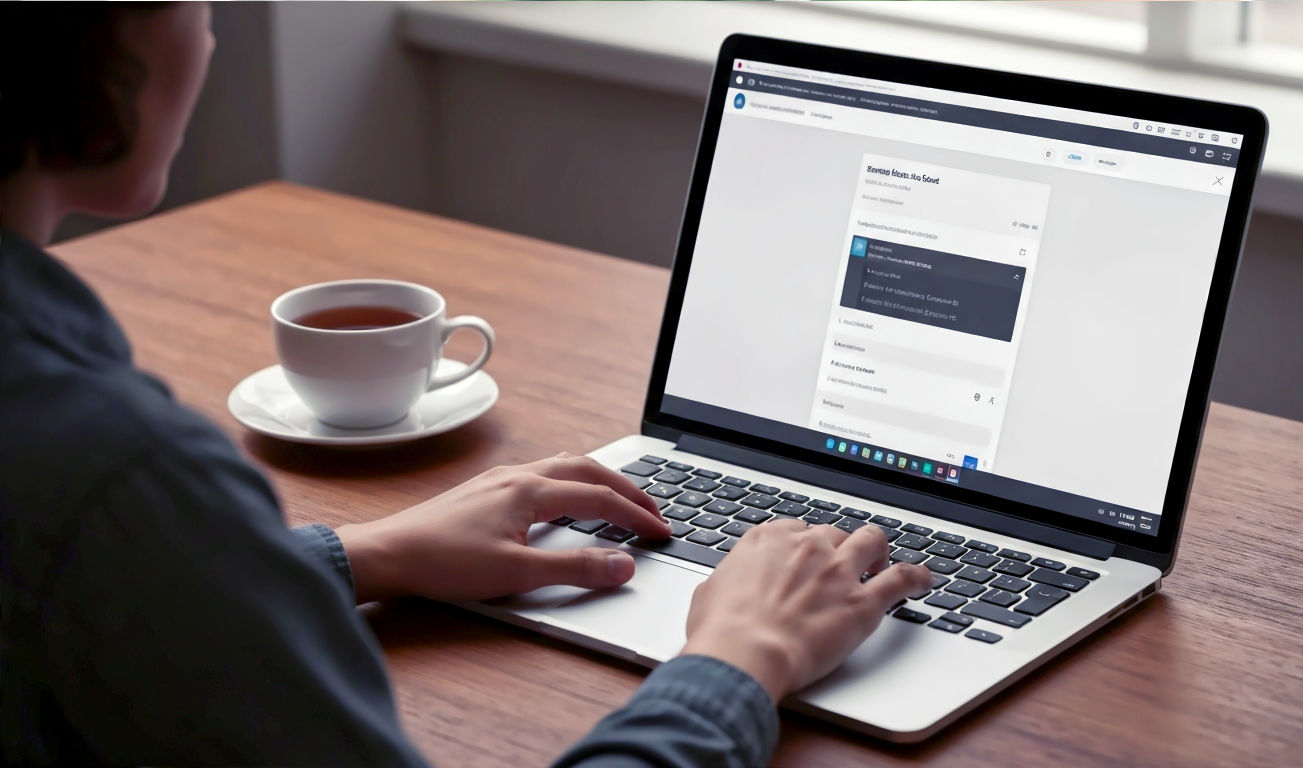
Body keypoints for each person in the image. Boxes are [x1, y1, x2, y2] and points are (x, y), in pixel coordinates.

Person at [0, 4, 933, 766]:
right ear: (99, 38)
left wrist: (360, 553)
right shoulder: (113, 478)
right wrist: (743, 657)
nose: (208, 34)